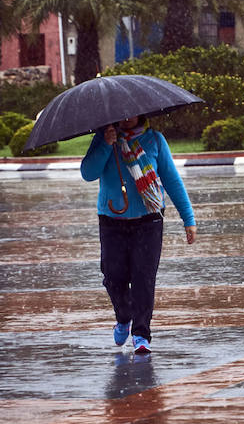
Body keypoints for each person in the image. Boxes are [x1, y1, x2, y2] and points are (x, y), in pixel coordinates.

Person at [81, 115, 196, 354]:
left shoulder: (154, 140)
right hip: (112, 221)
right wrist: (105, 144)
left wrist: (189, 218)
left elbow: (172, 180)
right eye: (120, 114)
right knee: (113, 277)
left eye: (130, 112)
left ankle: (141, 334)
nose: (126, 118)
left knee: (144, 279)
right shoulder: (103, 137)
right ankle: (123, 317)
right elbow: (88, 173)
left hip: (149, 220)